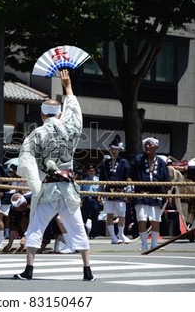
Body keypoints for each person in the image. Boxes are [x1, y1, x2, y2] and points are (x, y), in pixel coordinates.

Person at [13, 69, 95, 281]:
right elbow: (75, 112)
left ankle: (29, 269)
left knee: (36, 227)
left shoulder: (36, 134)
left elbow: (26, 161)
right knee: (78, 228)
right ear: (59, 114)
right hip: (67, 189)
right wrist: (67, 87)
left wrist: (35, 183)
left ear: (42, 115)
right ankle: (87, 270)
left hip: (48, 188)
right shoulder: (70, 127)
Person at [131, 137, 171, 251]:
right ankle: (144, 244)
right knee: (142, 219)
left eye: (150, 144)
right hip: (141, 193)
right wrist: (130, 189)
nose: (147, 146)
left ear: (156, 147)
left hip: (156, 193)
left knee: (155, 219)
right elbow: (130, 175)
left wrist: (168, 193)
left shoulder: (161, 162)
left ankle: (154, 244)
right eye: (146, 145)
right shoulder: (138, 160)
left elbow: (167, 179)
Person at [99, 136, 132, 244]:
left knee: (122, 214)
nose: (113, 151)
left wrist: (128, 192)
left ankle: (121, 234)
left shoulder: (124, 162)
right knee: (109, 214)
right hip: (108, 191)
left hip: (120, 191)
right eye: (112, 149)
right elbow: (102, 180)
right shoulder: (105, 163)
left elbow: (128, 178)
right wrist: (100, 192)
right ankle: (113, 237)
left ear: (119, 150)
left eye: (116, 149)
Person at [80, 165, 101, 239]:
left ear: (95, 172)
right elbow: (80, 191)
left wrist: (100, 196)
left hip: (95, 199)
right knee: (83, 217)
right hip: (86, 200)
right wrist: (81, 199)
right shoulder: (84, 181)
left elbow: (101, 189)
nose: (91, 172)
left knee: (95, 217)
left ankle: (93, 234)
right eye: (90, 171)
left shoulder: (98, 180)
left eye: (92, 171)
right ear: (87, 172)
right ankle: (84, 233)